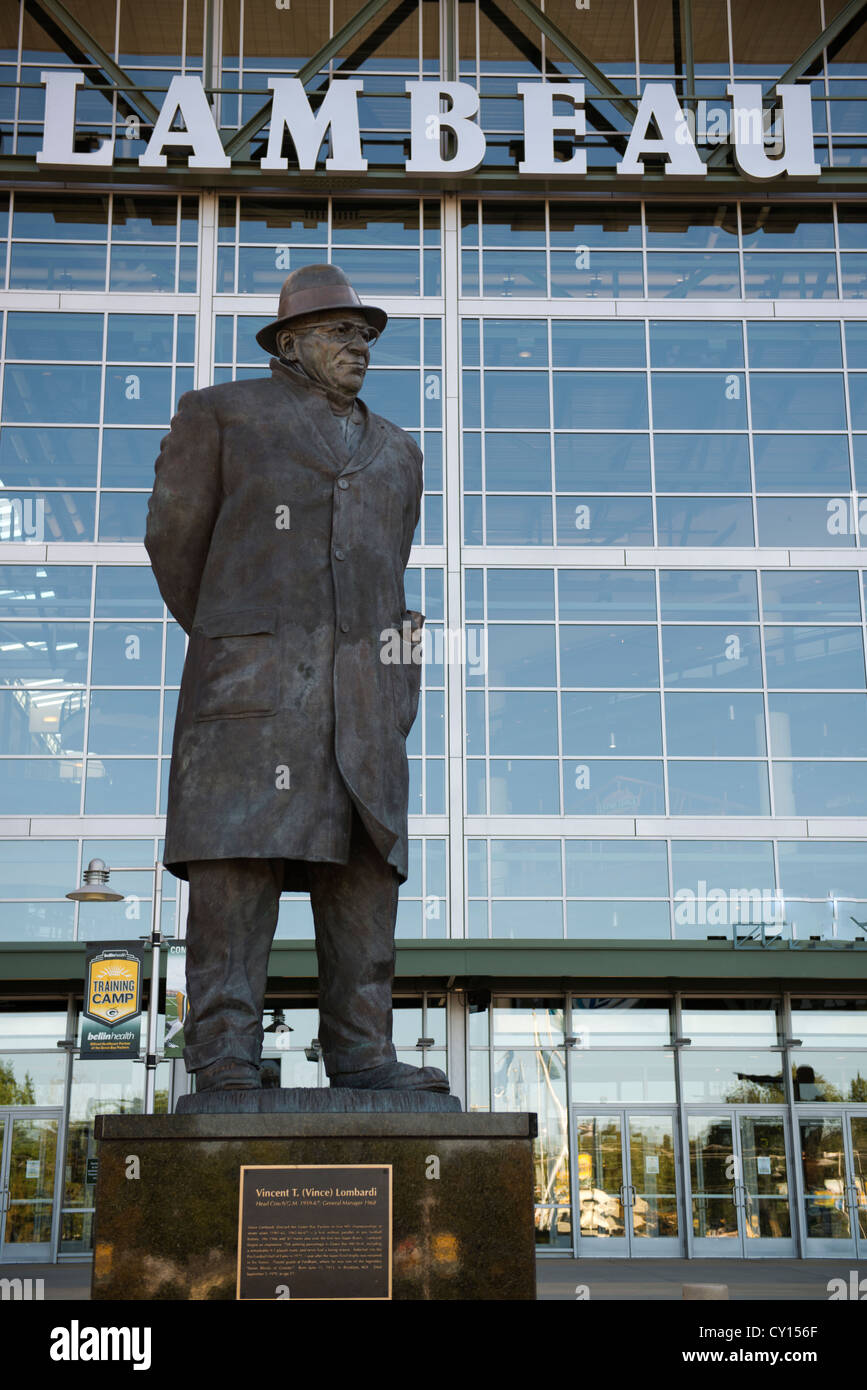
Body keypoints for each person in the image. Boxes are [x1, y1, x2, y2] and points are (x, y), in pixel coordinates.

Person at [145, 263, 448, 1095]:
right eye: (341, 332)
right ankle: (225, 1054)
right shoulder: (221, 415)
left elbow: (387, 567)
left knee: (362, 879)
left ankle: (362, 1054)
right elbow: (177, 548)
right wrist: (245, 634)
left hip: (364, 703)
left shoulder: (399, 451)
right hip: (252, 692)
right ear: (289, 342)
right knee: (236, 875)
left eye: (367, 336)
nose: (360, 347)